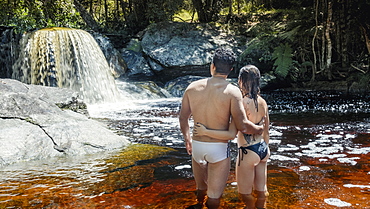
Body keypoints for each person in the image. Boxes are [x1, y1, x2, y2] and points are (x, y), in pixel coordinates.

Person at [179, 48, 264, 209]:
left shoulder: (192, 88)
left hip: (197, 145)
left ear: (212, 66)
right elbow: (243, 126)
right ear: (231, 70)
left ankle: (197, 204)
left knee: (201, 189)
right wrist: (259, 129)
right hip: (218, 148)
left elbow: (183, 117)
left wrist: (187, 139)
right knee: (214, 198)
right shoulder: (232, 92)